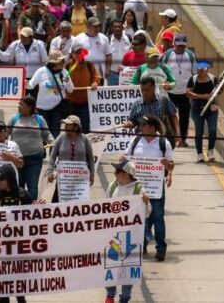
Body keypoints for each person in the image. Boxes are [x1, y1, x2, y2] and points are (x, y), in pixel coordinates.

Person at [0, 162, 41, 303]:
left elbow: (35, 220)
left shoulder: (23, 194)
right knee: (2, 286)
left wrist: (36, 210)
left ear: (10, 178)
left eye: (1, 178)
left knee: (19, 287)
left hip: (19, 248)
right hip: (1, 249)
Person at [125, 115, 174, 261]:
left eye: (144, 125)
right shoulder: (135, 141)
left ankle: (161, 249)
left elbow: (171, 165)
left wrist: (167, 168)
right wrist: (123, 159)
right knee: (140, 217)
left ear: (152, 127)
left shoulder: (163, 143)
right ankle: (142, 243)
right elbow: (128, 159)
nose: (141, 127)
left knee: (158, 216)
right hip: (138, 187)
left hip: (156, 186)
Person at [104, 160, 149, 303]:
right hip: (113, 234)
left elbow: (147, 214)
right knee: (110, 264)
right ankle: (110, 294)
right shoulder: (112, 187)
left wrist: (146, 203)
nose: (114, 174)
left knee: (128, 267)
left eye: (117, 172)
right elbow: (104, 208)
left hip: (131, 236)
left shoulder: (139, 190)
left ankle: (125, 298)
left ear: (125, 174)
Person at [8, 96, 52, 201]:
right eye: (19, 104)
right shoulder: (14, 118)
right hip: (17, 159)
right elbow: (5, 135)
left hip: (35, 158)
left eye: (21, 105)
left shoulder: (39, 119)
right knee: (18, 185)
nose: (18, 106)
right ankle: (18, 208)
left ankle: (31, 209)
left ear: (30, 107)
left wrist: (55, 143)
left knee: (32, 186)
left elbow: (47, 135)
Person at [45, 115, 94, 201]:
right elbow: (52, 156)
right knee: (58, 201)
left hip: (80, 178)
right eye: (65, 124)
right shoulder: (60, 138)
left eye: (68, 124)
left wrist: (92, 175)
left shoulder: (85, 139)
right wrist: (50, 171)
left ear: (76, 126)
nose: (65, 126)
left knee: (78, 202)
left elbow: (90, 158)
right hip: (63, 178)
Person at [161, 34, 196, 148]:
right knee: (170, 116)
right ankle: (173, 138)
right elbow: (160, 71)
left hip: (185, 93)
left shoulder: (190, 55)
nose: (181, 48)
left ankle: (182, 140)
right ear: (174, 44)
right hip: (171, 92)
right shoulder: (167, 55)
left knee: (184, 117)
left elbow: (194, 73)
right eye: (179, 45)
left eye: (183, 46)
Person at [28, 51, 74, 137]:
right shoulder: (41, 71)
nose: (64, 62)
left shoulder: (64, 72)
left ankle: (54, 150)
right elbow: (31, 85)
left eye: (63, 60)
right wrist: (25, 83)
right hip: (42, 109)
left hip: (57, 108)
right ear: (54, 63)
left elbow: (70, 90)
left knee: (55, 134)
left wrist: (68, 82)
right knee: (43, 134)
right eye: (61, 61)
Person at [125, 76, 179, 146]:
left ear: (153, 88)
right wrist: (130, 124)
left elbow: (173, 117)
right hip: (143, 142)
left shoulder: (164, 100)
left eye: (147, 90)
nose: (144, 93)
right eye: (142, 90)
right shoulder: (136, 104)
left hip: (162, 140)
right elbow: (132, 121)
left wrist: (178, 133)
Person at [186, 61, 219, 162]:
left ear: (207, 69)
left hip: (211, 108)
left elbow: (218, 91)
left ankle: (210, 150)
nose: (201, 71)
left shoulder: (213, 79)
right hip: (197, 108)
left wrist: (215, 103)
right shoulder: (193, 79)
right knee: (199, 131)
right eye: (199, 69)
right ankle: (199, 153)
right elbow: (188, 92)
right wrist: (201, 96)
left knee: (212, 130)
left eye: (203, 69)